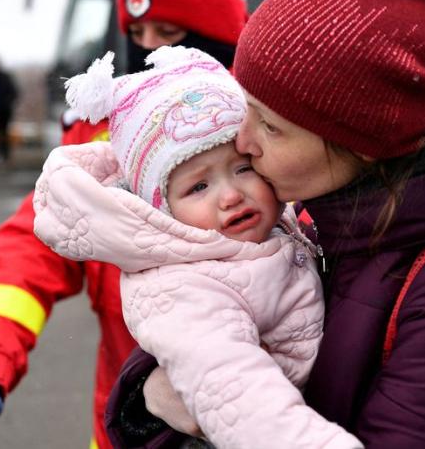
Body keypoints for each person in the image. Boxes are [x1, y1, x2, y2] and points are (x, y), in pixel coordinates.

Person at [105, 0, 425, 447]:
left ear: (359, 140)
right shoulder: (326, 212)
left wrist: (194, 419)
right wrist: (147, 400)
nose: (242, 141)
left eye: (271, 127)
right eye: (245, 109)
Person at [0, 0, 247, 448]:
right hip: (124, 430)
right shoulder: (103, 134)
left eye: (168, 31)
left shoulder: (266, 125)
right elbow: (29, 253)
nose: (146, 47)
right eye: (135, 31)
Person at [34, 46, 363, 448]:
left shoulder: (274, 230)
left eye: (244, 168)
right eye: (198, 186)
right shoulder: (184, 286)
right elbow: (236, 394)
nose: (230, 196)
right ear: (163, 209)